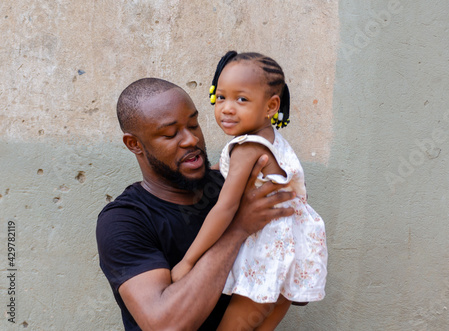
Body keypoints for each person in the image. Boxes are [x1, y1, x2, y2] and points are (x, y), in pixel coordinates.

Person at [96, 77, 296, 331]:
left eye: (194, 124)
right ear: (134, 144)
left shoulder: (234, 189)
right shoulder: (125, 221)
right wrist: (237, 230)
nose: (190, 140)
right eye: (170, 134)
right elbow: (165, 325)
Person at [171, 51, 328, 330]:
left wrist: (188, 261)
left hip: (266, 259)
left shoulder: (247, 147)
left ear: (271, 106)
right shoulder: (273, 140)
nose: (227, 108)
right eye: (221, 97)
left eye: (241, 99)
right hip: (291, 255)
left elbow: (226, 207)